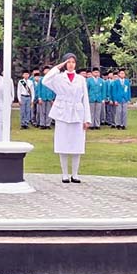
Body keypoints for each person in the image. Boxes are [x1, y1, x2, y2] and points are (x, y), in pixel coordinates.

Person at [42, 53, 92, 183]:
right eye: (68, 62)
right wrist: (57, 68)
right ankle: (64, 174)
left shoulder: (81, 79)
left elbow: (85, 98)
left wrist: (87, 119)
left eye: (73, 62)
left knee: (77, 144)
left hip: (77, 113)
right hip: (62, 112)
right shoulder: (58, 78)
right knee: (62, 143)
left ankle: (75, 174)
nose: (71, 64)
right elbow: (45, 80)